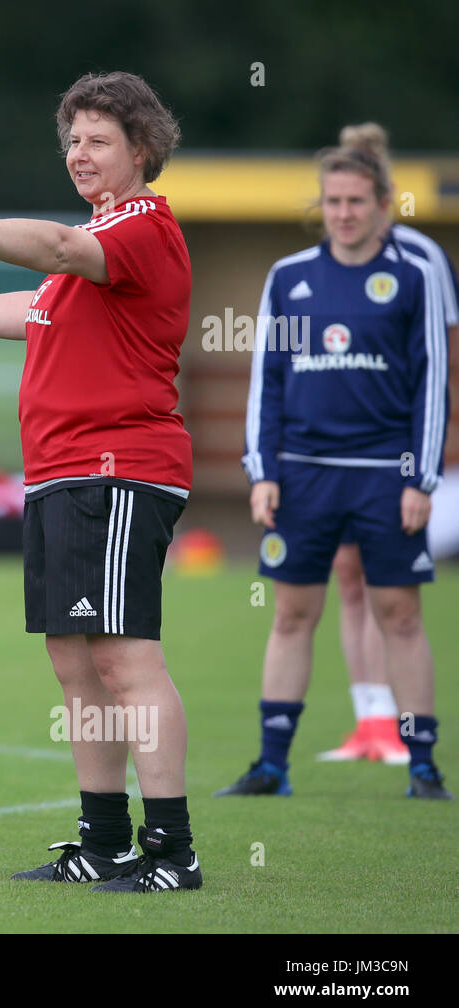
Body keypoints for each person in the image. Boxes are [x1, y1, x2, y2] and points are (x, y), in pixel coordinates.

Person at [0, 71, 202, 892]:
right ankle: (104, 840)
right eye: (72, 141)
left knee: (126, 659)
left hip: (118, 470)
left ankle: (173, 850)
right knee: (76, 662)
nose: (80, 154)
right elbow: (40, 303)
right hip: (63, 474)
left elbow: (59, 253)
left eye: (99, 140)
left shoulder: (138, 224)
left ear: (142, 150)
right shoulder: (95, 250)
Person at [221, 127, 451, 800]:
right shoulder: (289, 279)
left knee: (399, 616)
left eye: (356, 200)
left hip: (385, 473)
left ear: (382, 203)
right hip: (302, 475)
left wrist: (420, 478)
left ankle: (423, 764)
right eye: (332, 201)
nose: (344, 212)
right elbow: (268, 379)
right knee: (293, 614)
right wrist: (262, 470)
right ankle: (270, 765)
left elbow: (431, 384)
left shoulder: (414, 277)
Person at [318, 124, 459, 766]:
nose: (349, 210)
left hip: (404, 450)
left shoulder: (422, 260)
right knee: (348, 578)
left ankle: (408, 728)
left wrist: (434, 451)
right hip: (343, 455)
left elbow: (444, 362)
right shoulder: (327, 261)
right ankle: (369, 720)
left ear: (384, 193)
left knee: (395, 592)